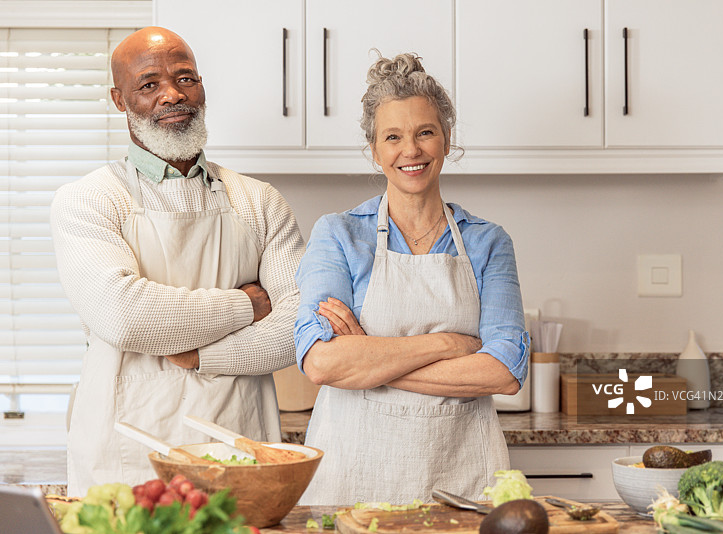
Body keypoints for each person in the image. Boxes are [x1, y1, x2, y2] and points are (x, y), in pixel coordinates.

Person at [50, 27, 304, 495]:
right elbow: (125, 315)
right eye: (148, 84)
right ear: (119, 99)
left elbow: (297, 326)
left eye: (185, 77)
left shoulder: (260, 201)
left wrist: (201, 356)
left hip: (240, 446)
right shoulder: (88, 200)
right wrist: (245, 307)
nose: (172, 94)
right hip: (126, 452)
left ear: (202, 85)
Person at [294, 52, 529, 505]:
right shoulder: (338, 234)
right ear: (375, 149)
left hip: (462, 478)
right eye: (393, 137)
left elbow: (502, 372)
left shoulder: (488, 243)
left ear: (445, 139)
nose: (411, 150)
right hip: (353, 478)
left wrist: (369, 361)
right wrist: (449, 344)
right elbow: (322, 364)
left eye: (425, 132)